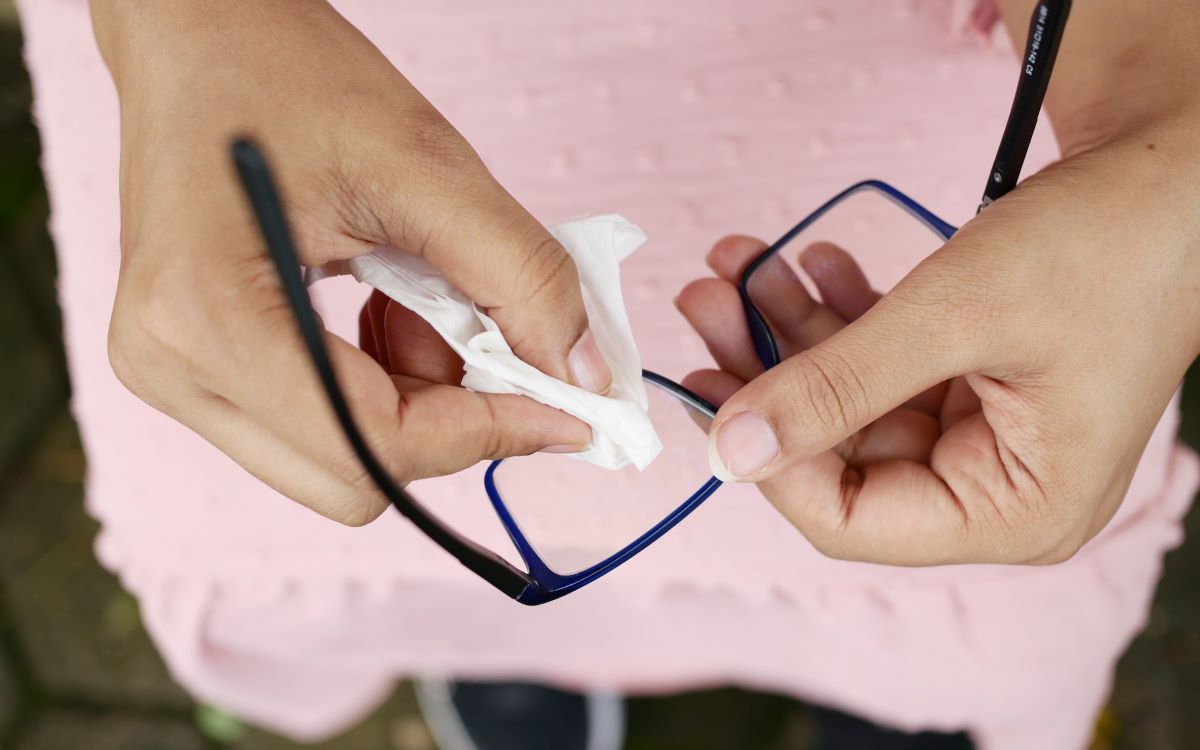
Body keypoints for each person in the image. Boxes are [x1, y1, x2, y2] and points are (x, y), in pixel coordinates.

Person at [15, 0, 1197, 747]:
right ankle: (513, 658)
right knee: (301, 467)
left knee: (977, 573)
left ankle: (898, 699)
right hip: (262, 101)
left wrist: (1162, 141)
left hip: (959, 107)